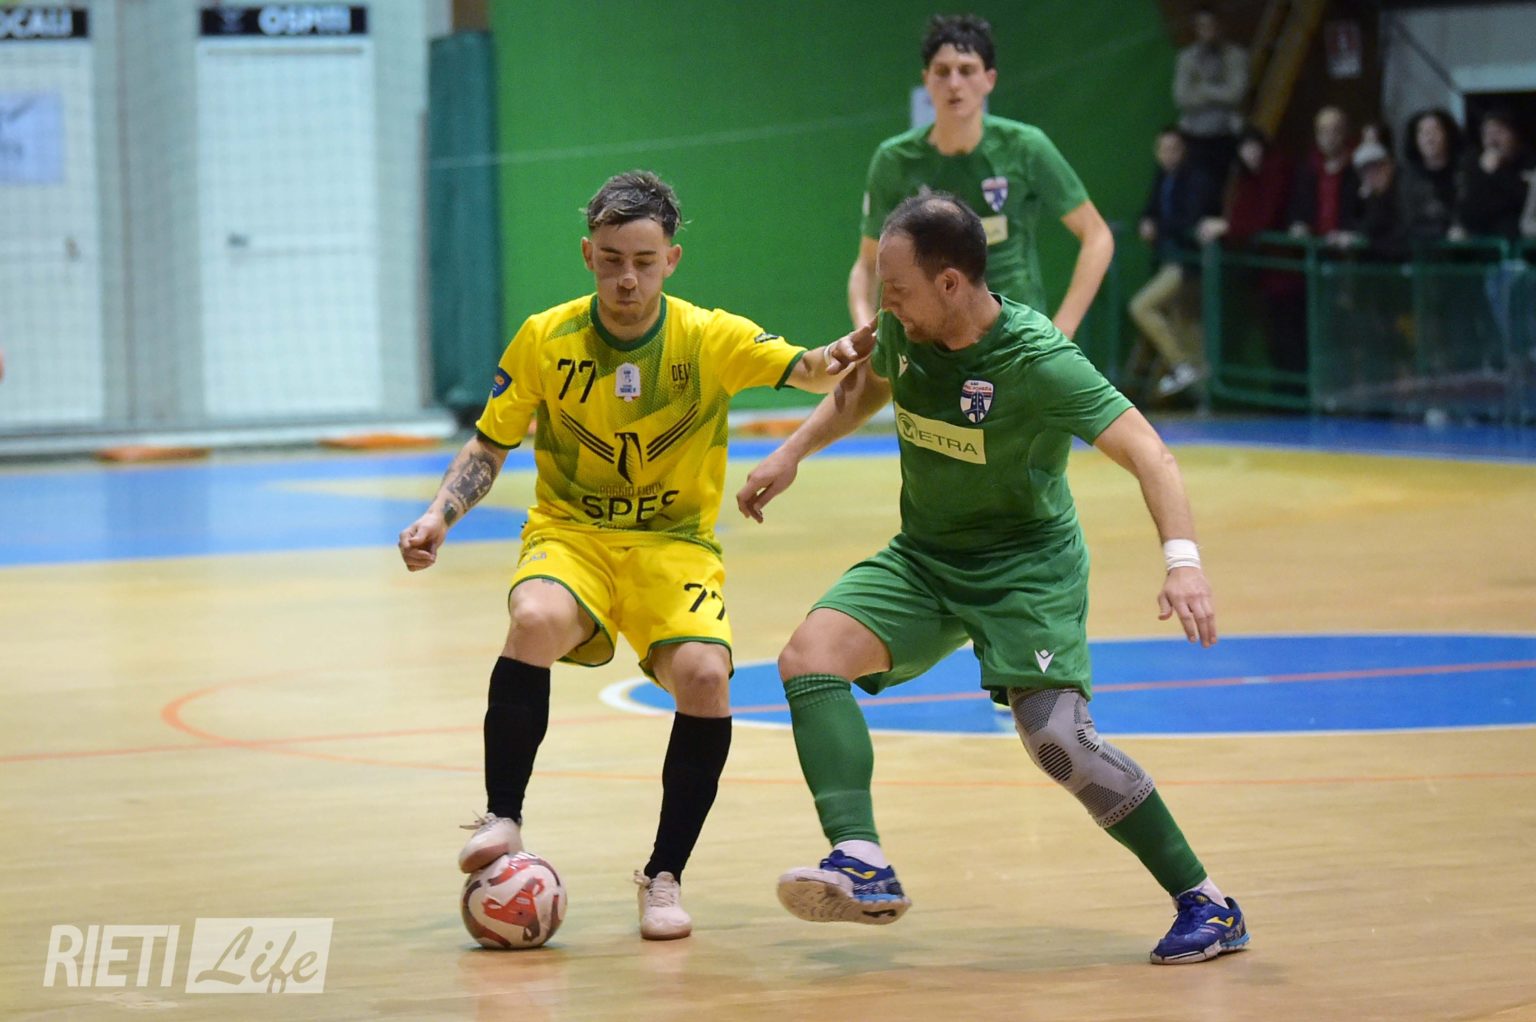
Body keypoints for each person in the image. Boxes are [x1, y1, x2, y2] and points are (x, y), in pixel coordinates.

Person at [737, 193, 1247, 966]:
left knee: (1058, 743)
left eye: (898, 290)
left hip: (1024, 570)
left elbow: (1151, 453)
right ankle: (862, 860)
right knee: (810, 657)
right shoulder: (907, 330)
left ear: (950, 284)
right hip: (926, 557)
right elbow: (869, 385)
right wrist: (791, 452)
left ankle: (1207, 903)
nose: (885, 307)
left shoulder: (1039, 361)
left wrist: (1184, 564)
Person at [398, 171, 872, 942]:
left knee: (706, 677)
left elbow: (810, 368)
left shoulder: (709, 337)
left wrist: (847, 349)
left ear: (671, 260)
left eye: (644, 262)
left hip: (674, 546)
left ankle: (663, 876)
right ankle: (502, 817)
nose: (627, 278)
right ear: (588, 254)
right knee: (534, 617)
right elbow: (490, 442)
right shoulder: (545, 338)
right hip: (571, 536)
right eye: (612, 259)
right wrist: (438, 515)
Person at [849, 14, 1113, 338]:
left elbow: (1097, 235)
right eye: (942, 71)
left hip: (1012, 338)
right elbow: (867, 265)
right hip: (929, 343)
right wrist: (866, 334)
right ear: (926, 80)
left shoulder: (1025, 147)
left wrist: (1062, 330)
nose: (954, 83)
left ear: (989, 79)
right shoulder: (895, 159)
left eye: (967, 70)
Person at [1130, 127, 1220, 398]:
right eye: (1163, 149)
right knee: (1187, 325)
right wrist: (1146, 221)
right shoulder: (1163, 178)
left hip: (1186, 263)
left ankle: (1181, 366)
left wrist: (1158, 227)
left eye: (1174, 149)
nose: (1168, 155)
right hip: (1169, 259)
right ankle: (1204, 396)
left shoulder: (1195, 180)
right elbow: (1151, 210)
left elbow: (1190, 220)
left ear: (1183, 151)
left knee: (1142, 306)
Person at [1173, 5, 1250, 187]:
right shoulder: (1186, 58)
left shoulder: (1236, 56)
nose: (1208, 31)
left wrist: (1204, 89)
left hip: (1226, 134)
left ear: (1220, 27)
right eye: (1202, 26)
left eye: (1212, 26)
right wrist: (1220, 93)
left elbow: (1236, 94)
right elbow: (1181, 97)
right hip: (1195, 135)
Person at [1453, 109, 1535, 240]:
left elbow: (1525, 203)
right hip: (1481, 238)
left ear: (1514, 135)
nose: (1492, 140)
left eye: (1499, 132)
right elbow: (1468, 212)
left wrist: (1498, 173)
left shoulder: (1529, 162)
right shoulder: (1473, 163)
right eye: (1487, 134)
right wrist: (1484, 174)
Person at [1288, 106, 1360, 238]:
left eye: (1335, 130)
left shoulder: (1358, 168)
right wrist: (1299, 223)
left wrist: (1352, 232)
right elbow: (1297, 206)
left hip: (1346, 245)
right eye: (1323, 131)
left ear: (1345, 132)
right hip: (1313, 244)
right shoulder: (1307, 169)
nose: (1329, 137)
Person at [1399, 108, 1462, 246]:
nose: (1429, 138)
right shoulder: (1406, 178)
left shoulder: (1463, 173)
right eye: (1422, 132)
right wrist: (1444, 231)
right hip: (1424, 250)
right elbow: (1406, 222)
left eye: (1435, 130)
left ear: (1447, 134)